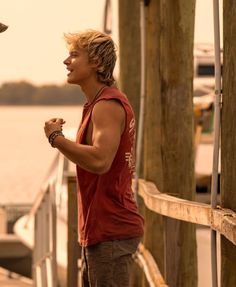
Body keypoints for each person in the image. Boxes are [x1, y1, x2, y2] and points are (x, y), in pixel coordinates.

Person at [44, 30, 144, 287]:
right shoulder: (97, 103)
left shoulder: (107, 105)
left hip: (111, 230)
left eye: (74, 55)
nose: (66, 61)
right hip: (103, 231)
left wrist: (57, 139)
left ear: (96, 63)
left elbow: (101, 160)